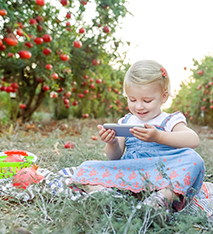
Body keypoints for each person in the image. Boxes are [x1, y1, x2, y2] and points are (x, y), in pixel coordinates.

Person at [69, 60, 205, 213]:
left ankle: (159, 202)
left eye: (147, 101)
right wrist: (112, 142)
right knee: (86, 168)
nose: (139, 106)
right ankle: (108, 197)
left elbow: (193, 140)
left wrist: (158, 136)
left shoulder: (170, 120)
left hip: (161, 175)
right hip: (130, 174)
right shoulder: (126, 121)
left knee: (193, 159)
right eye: (132, 100)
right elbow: (114, 157)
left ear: (164, 96)